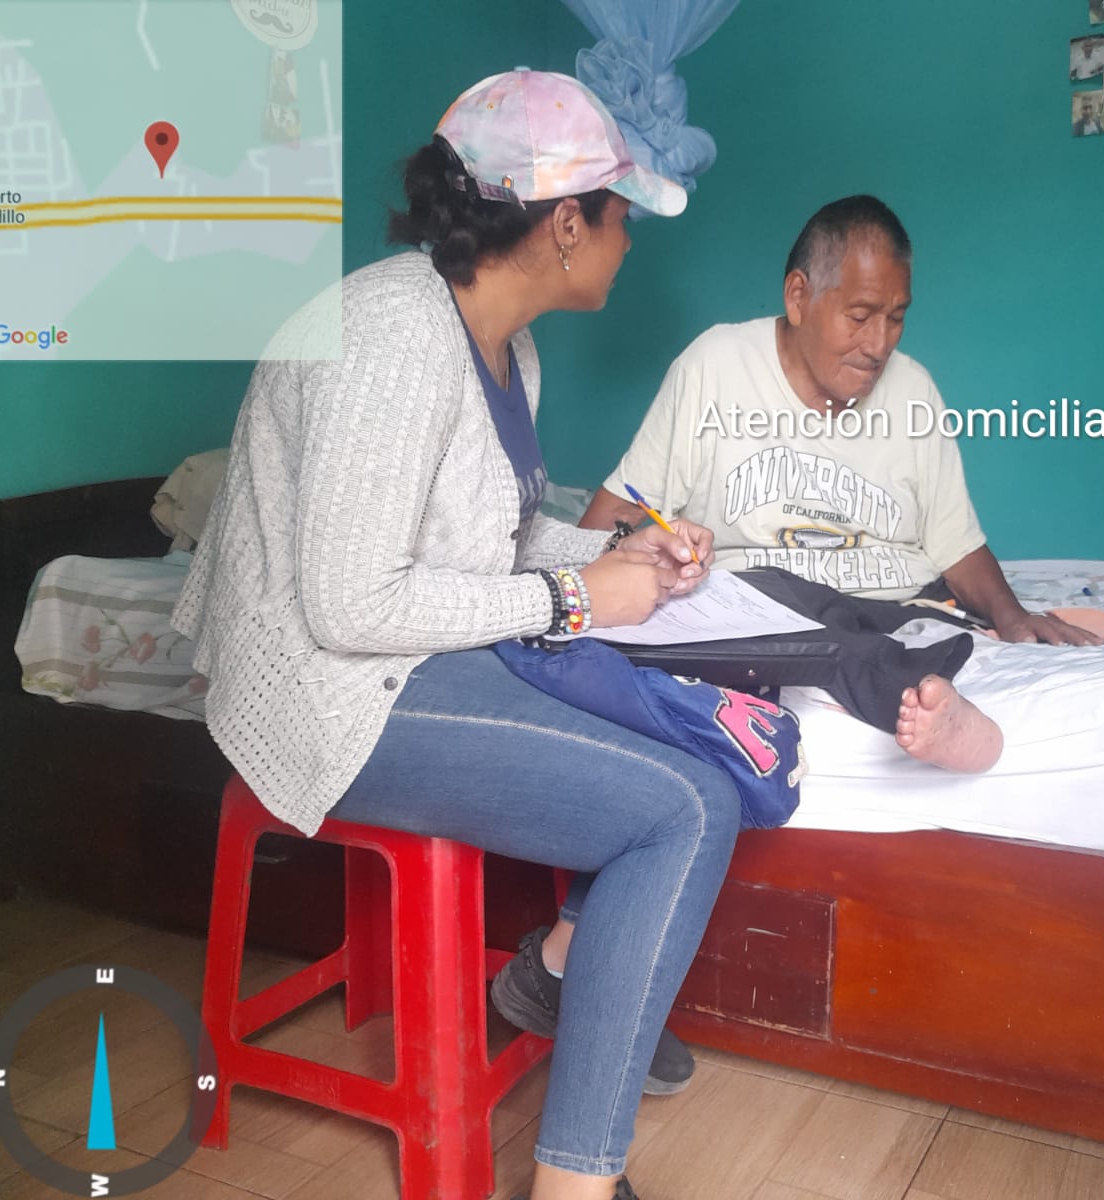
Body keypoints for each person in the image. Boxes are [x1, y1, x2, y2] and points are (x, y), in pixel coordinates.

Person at [174, 69, 732, 1200]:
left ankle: (563, 974)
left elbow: (495, 536)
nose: (629, 241)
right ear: (564, 223)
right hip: (335, 690)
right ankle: (573, 1171)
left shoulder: (507, 347)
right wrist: (577, 601)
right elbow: (350, 606)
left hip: (409, 659)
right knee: (685, 807)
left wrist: (624, 556)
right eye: (620, 215)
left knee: (690, 735)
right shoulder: (386, 334)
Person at [579, 195, 1104, 773]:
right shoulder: (715, 366)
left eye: (896, 318)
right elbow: (609, 520)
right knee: (767, 614)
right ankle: (907, 692)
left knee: (930, 628)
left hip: (890, 605)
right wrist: (624, 565)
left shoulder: (914, 390)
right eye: (860, 316)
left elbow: (955, 544)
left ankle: (936, 698)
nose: (879, 345)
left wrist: (1012, 615)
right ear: (798, 297)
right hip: (767, 606)